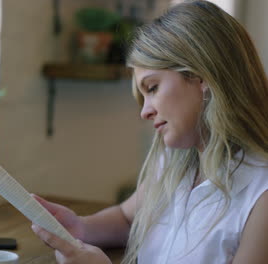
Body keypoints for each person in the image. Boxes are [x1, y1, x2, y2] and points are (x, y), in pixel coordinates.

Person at [31, 1, 268, 263]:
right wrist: (80, 227)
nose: (145, 112)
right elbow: (126, 218)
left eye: (152, 88)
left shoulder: (261, 193)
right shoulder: (173, 164)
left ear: (202, 76)